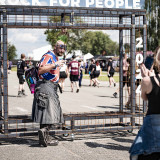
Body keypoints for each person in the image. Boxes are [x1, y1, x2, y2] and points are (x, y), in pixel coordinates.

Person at [32, 40, 66, 147]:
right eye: (60, 47)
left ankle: (45, 136)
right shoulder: (48, 56)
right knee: (49, 112)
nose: (62, 50)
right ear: (55, 47)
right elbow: (40, 70)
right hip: (45, 86)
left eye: (64, 47)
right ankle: (45, 136)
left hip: (50, 86)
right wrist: (55, 64)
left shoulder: (54, 57)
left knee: (47, 112)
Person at [129, 46, 160, 160]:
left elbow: (145, 97)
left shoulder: (148, 81)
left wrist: (146, 78)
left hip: (153, 123)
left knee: (136, 154)